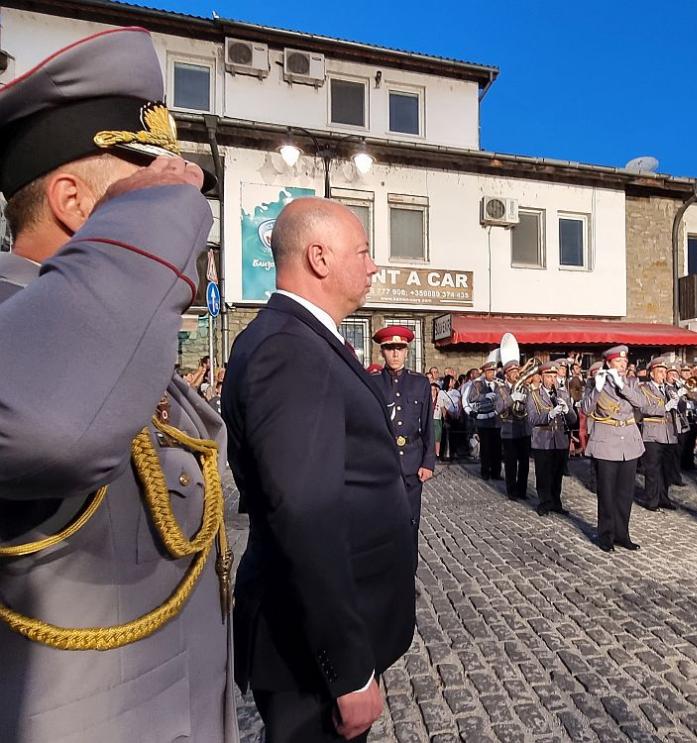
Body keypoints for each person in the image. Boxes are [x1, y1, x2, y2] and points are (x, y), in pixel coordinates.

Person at [0, 28, 236, 741]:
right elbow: (53, 423)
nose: (187, 208)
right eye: (142, 177)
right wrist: (150, 219)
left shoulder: (132, 346)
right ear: (72, 200)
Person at [222, 198, 415, 742]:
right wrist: (348, 668)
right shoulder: (288, 348)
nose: (373, 265)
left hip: (325, 632)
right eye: (363, 251)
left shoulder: (304, 339)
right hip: (309, 651)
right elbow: (305, 516)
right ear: (320, 258)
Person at [581, 346, 647, 552]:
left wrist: (623, 386)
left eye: (625, 362)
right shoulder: (594, 383)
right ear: (608, 363)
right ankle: (605, 535)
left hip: (629, 442)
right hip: (606, 442)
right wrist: (598, 388)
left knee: (626, 493)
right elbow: (585, 408)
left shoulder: (633, 382)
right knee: (607, 492)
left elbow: (642, 404)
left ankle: (622, 534)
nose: (623, 365)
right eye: (618, 362)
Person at [371, 325, 434, 528]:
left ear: (407, 351)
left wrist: (428, 462)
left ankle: (408, 561)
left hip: (412, 462)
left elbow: (427, 425)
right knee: (383, 522)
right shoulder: (372, 382)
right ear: (382, 351)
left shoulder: (420, 383)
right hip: (382, 463)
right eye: (390, 348)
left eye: (400, 348)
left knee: (410, 521)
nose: (395, 353)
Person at [528, 362, 578, 515]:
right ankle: (544, 502)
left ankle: (556, 502)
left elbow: (573, 419)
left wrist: (568, 410)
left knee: (557, 474)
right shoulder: (534, 395)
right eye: (549, 376)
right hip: (542, 440)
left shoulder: (562, 394)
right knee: (543, 474)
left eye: (554, 376)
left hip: (560, 439)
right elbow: (531, 419)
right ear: (541, 377)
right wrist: (549, 414)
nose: (552, 380)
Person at [637, 359, 681, 511]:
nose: (664, 374)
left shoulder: (669, 389)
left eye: (665, 371)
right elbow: (643, 408)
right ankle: (652, 499)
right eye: (660, 371)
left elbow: (679, 408)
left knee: (666, 469)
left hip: (669, 433)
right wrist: (665, 407)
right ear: (651, 373)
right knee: (652, 469)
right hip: (653, 433)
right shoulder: (644, 388)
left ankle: (664, 497)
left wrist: (679, 395)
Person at [495, 360, 533, 500]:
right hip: (509, 431)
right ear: (506, 375)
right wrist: (512, 398)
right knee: (511, 464)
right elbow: (499, 408)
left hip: (523, 429)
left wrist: (526, 400)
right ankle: (512, 491)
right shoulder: (500, 389)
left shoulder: (524, 387)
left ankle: (522, 491)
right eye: (512, 371)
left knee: (524, 463)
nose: (516, 374)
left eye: (517, 371)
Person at [465, 361, 503, 480]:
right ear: (485, 373)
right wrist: (483, 396)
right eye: (489, 371)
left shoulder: (499, 385)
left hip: (497, 421)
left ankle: (496, 472)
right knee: (485, 448)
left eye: (493, 371)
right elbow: (471, 398)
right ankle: (485, 471)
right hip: (484, 421)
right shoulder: (478, 385)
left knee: (497, 448)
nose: (492, 374)